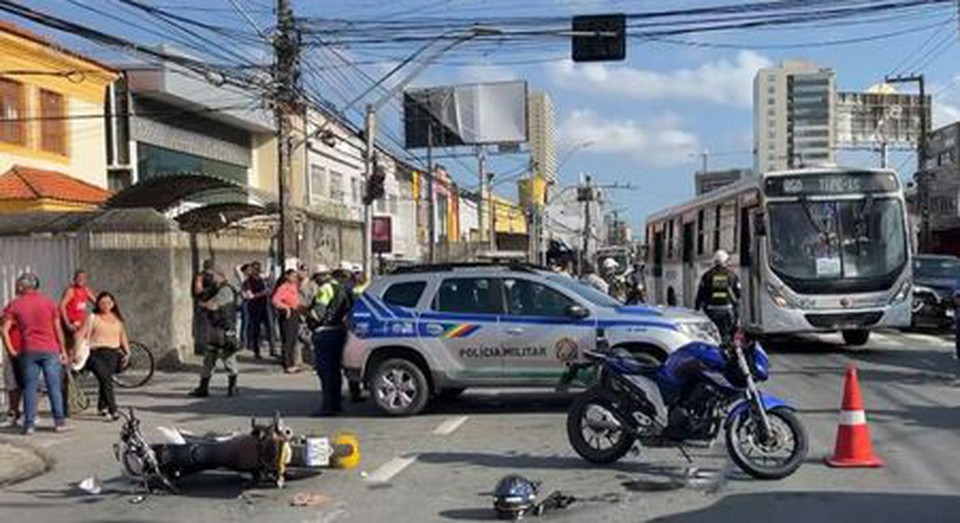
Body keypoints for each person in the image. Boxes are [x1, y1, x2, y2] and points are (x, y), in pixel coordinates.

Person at [1, 273, 70, 435]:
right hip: (50, 349)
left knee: (30, 388)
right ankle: (59, 422)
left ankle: (29, 424)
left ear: (22, 287)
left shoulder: (15, 305)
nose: (16, 287)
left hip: (28, 350)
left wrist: (11, 350)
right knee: (54, 386)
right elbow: (57, 328)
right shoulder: (49, 303)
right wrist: (63, 350)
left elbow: (4, 331)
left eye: (18, 285)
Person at [79, 292, 130, 420]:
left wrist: (127, 352)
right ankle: (113, 409)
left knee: (104, 381)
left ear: (113, 304)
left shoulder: (117, 320)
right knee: (106, 379)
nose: (105, 305)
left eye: (108, 302)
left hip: (113, 354)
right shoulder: (92, 317)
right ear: (97, 304)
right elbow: (80, 335)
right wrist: (75, 352)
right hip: (95, 354)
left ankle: (102, 407)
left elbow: (122, 336)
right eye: (102, 303)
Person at [310, 268, 354, 416]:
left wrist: (309, 320)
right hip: (340, 332)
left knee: (326, 372)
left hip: (325, 332)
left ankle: (328, 407)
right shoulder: (346, 289)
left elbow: (317, 313)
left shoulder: (326, 289)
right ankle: (337, 404)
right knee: (336, 372)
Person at [190, 272, 241, 397]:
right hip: (215, 328)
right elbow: (199, 295)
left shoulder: (226, 290)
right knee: (209, 358)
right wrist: (199, 280)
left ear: (221, 277)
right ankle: (203, 387)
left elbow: (213, 306)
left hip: (224, 329)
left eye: (214, 277)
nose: (212, 280)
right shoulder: (216, 289)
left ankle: (232, 387)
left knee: (228, 357)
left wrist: (204, 304)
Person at [695, 250, 742, 344]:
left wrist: (696, 309)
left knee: (713, 337)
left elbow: (700, 294)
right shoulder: (732, 275)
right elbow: (738, 294)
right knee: (727, 336)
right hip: (727, 311)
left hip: (711, 311)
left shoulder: (707, 275)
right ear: (725, 262)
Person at [242, 261, 275, 359]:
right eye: (255, 269)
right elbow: (249, 296)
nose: (257, 271)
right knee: (256, 330)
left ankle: (272, 349)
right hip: (254, 307)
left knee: (270, 328)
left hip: (265, 307)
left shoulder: (262, 280)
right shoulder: (248, 282)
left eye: (258, 268)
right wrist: (262, 293)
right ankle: (256, 350)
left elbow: (269, 289)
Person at [2, 289, 26, 427]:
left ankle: (29, 413)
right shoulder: (13, 306)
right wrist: (10, 349)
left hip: (29, 350)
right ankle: (13, 412)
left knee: (29, 384)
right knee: (12, 383)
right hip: (14, 349)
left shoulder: (37, 306)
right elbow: (3, 325)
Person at [272, 269, 303, 374]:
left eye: (296, 276)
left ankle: (292, 362)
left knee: (293, 339)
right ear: (287, 276)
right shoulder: (283, 287)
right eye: (293, 276)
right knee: (288, 340)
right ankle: (287, 364)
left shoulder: (294, 286)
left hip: (295, 313)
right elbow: (275, 300)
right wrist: (285, 308)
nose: (295, 278)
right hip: (287, 314)